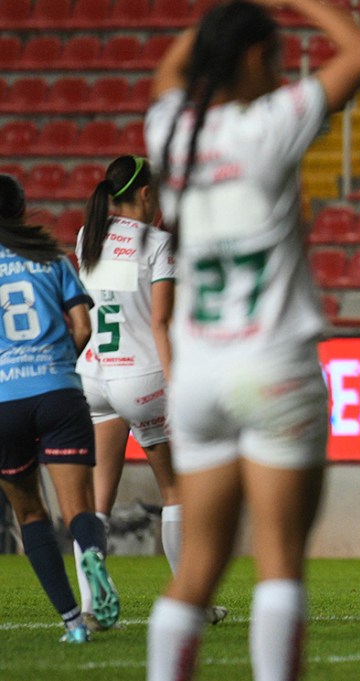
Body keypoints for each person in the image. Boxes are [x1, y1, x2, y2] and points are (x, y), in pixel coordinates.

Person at [143, 1, 360, 678]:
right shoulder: (268, 126)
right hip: (271, 367)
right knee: (278, 564)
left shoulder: (170, 134)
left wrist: (224, 20)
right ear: (254, 58)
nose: (280, 74)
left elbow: (168, 69)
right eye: (274, 59)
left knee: (195, 570)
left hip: (196, 378)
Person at [71, 155, 227, 629]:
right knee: (175, 489)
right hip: (141, 379)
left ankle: (94, 608)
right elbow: (159, 322)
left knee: (96, 500)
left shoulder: (87, 237)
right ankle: (192, 605)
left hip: (94, 376)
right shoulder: (159, 244)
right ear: (145, 195)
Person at [0, 174, 119, 643]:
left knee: (29, 515)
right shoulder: (50, 256)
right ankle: (90, 552)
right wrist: (57, 366)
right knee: (80, 509)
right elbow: (83, 326)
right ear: (22, 209)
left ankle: (73, 624)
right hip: (60, 393)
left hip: (5, 399)